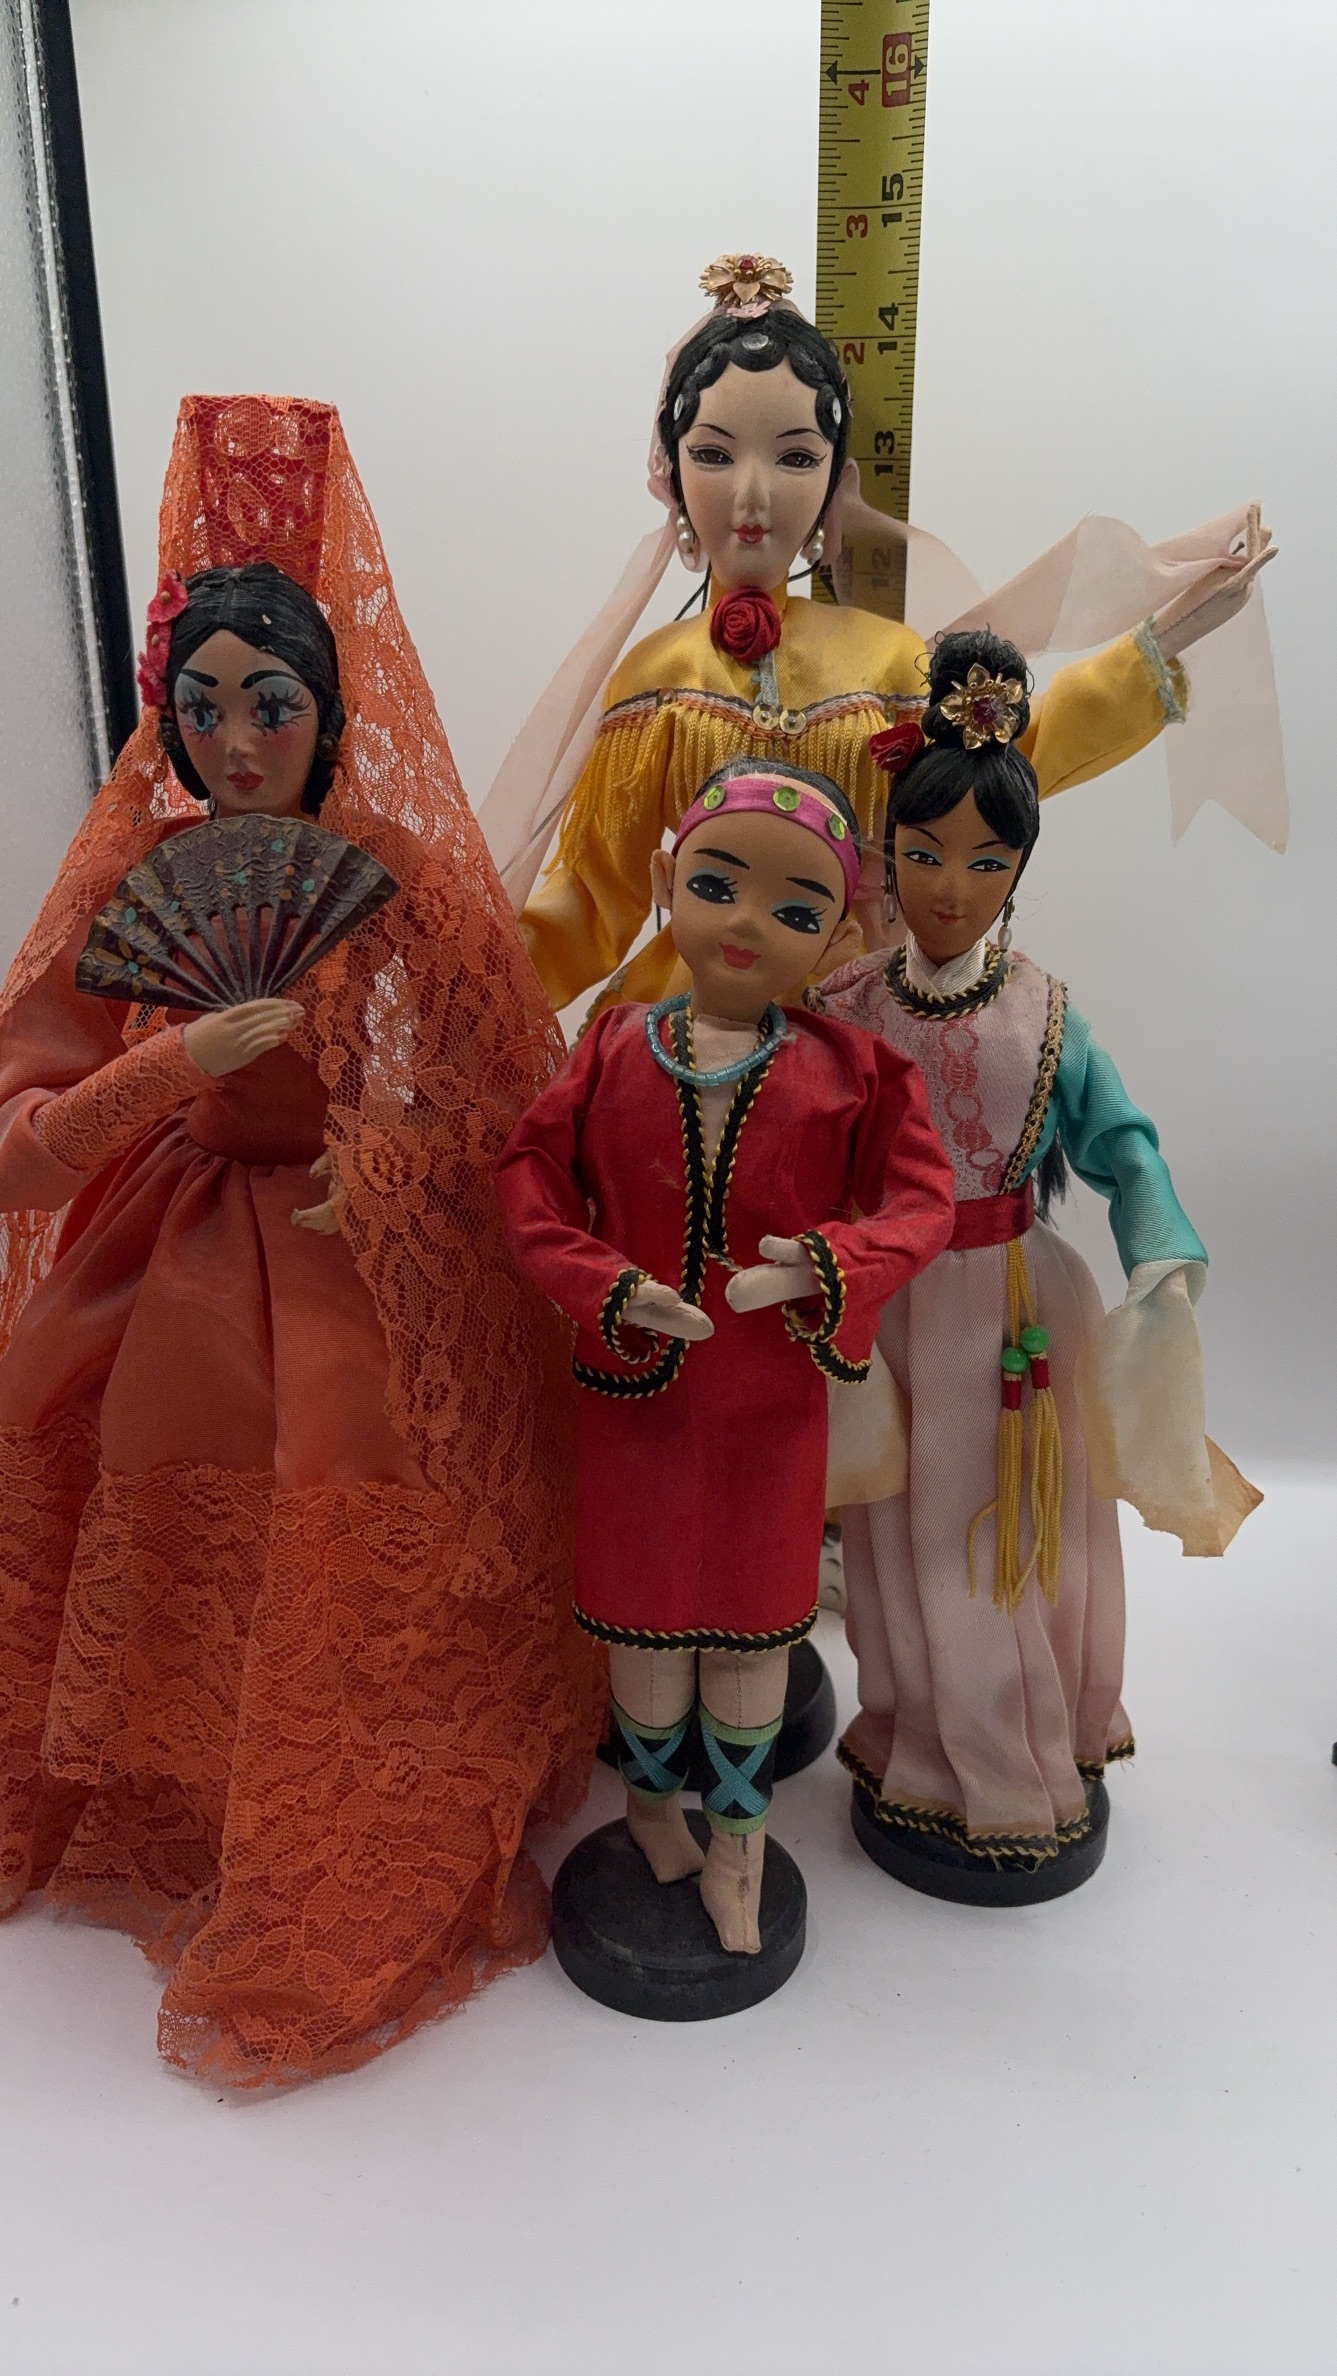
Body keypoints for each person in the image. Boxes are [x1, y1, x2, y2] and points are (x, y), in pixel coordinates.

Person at [0, 394, 600, 2085]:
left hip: (341, 1245)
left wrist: (389, 1171)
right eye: (201, 708)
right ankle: (168, 1778)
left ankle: (306, 1802)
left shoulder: (397, 877)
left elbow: (512, 1107)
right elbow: (19, 1150)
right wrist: (165, 1070)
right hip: (162, 1249)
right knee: (121, 1464)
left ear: (334, 711)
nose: (238, 740)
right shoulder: (131, 876)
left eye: (273, 703)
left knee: (349, 1481)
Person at [479, 254, 1275, 1014]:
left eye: (795, 458)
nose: (752, 495)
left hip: (860, 1011)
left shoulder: (887, 659)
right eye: (714, 454)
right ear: (673, 473)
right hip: (688, 1015)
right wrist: (463, 964)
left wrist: (1149, 648)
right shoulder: (654, 678)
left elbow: (1004, 756)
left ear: (835, 480)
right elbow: (592, 898)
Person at [811, 628, 1258, 1882]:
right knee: (894, 1539)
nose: (948, 888)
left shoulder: (1043, 1014)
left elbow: (1119, 1142)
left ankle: (1020, 1755)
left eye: (984, 861)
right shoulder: (845, 1006)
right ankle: (914, 1741)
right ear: (885, 853)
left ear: (1018, 865)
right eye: (920, 854)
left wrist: (1156, 1249)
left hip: (1011, 1308)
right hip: (889, 1308)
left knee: (1010, 1538)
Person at [494, 758, 955, 1952]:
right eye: (715, 884)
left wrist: (829, 1264)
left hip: (767, 1402)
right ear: (664, 883)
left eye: (795, 908)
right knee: (644, 1634)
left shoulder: (855, 1072)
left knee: (753, 1632)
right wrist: (604, 1284)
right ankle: (652, 1811)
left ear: (840, 932)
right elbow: (528, 1177)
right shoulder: (608, 1047)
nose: (747, 923)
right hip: (633, 1400)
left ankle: (740, 1844)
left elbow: (922, 1202)